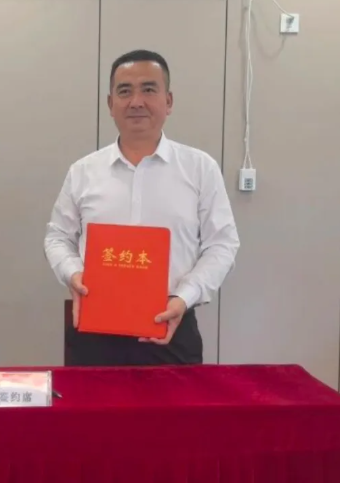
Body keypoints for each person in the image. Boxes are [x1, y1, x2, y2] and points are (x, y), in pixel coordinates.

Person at [44, 50, 239, 366]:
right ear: (110, 104)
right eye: (125, 91)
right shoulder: (83, 171)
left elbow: (222, 244)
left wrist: (184, 296)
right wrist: (73, 273)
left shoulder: (200, 168)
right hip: (95, 331)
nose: (136, 101)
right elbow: (57, 237)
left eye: (149, 89)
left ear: (168, 101)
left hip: (172, 328)